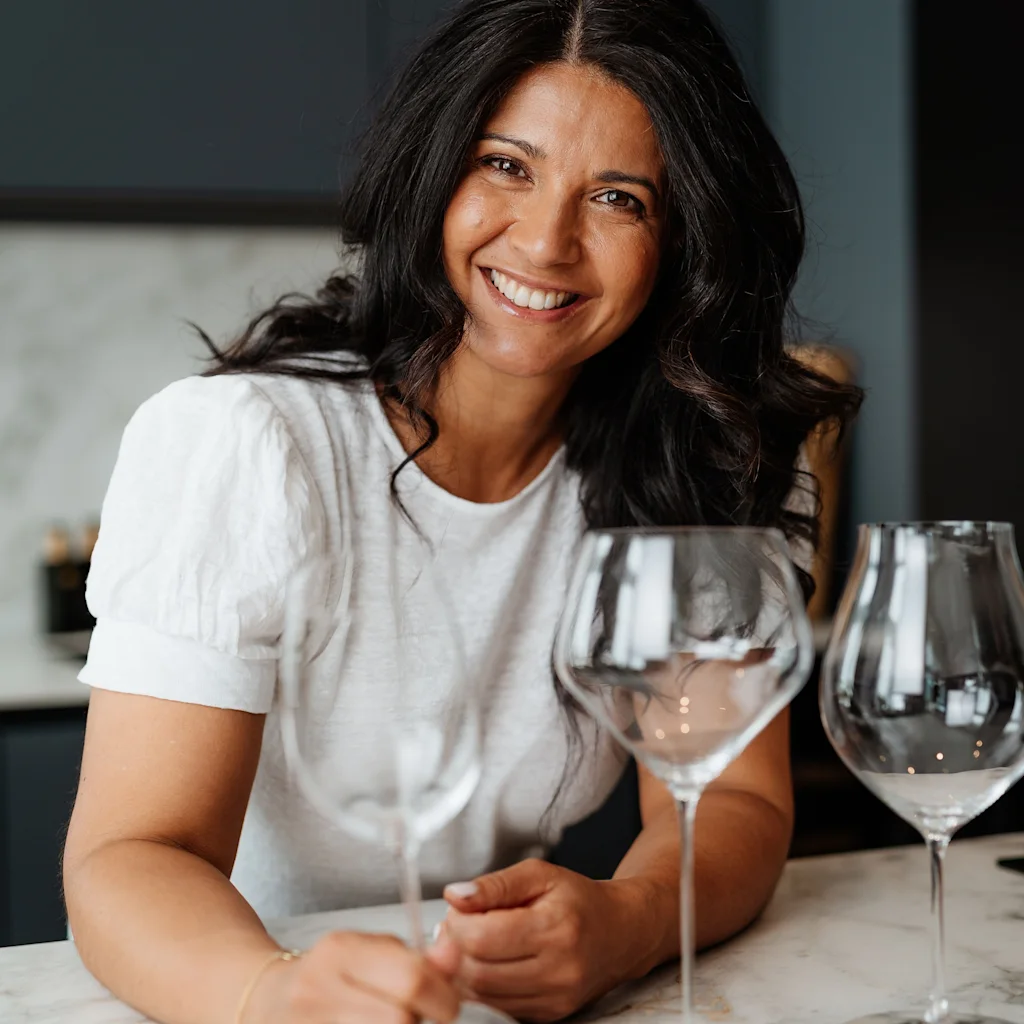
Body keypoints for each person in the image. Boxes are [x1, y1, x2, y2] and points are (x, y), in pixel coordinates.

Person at [62, 1, 862, 1022]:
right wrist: (273, 995)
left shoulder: (709, 458)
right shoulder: (246, 445)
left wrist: (629, 919)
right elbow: (129, 852)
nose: (545, 240)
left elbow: (736, 801)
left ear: (683, 234)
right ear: (433, 169)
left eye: (617, 197)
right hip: (230, 980)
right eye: (506, 165)